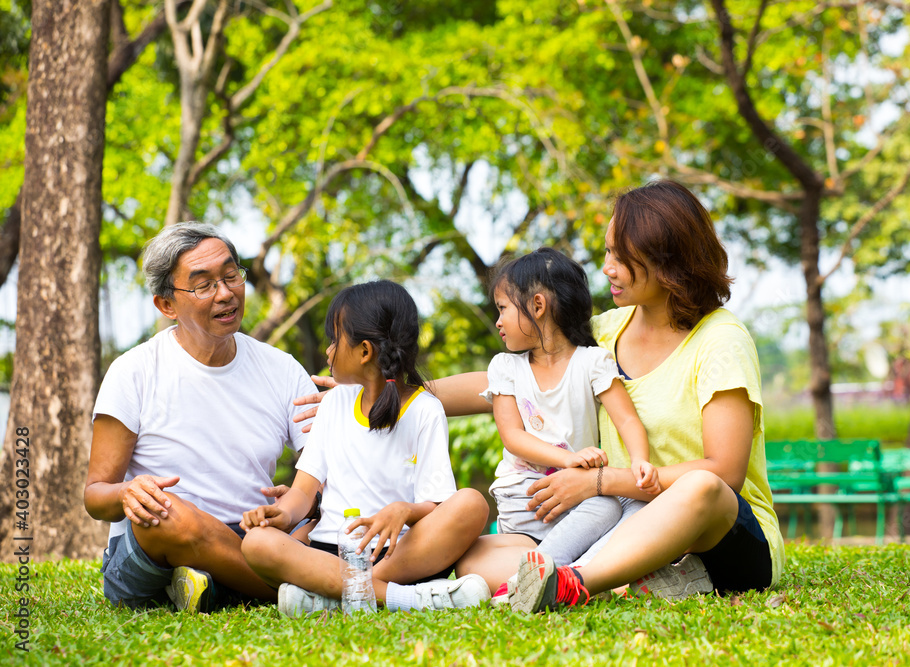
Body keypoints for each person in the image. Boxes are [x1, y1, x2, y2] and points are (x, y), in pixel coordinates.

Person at [291, 180, 784, 610]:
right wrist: (387, 384)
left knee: (699, 489)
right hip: (616, 527)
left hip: (715, 532)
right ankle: (630, 579)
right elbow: (507, 386)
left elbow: (725, 471)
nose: (607, 267)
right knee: (473, 556)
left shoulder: (720, 339)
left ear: (663, 260)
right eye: (607, 251)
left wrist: (600, 483)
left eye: (620, 256)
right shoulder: (604, 332)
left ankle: (574, 582)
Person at [84, 222, 318, 612]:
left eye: (231, 276)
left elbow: (324, 471)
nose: (226, 293)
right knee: (165, 513)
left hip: (253, 534)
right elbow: (95, 495)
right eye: (204, 285)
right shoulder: (134, 371)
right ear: (166, 305)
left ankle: (210, 585)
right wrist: (128, 493)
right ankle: (307, 588)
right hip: (156, 548)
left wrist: (300, 503)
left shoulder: (281, 369)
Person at [240, 280, 491, 616]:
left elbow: (437, 504)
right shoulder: (334, 404)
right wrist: (282, 515)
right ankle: (403, 598)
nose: (329, 351)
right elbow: (303, 492)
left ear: (364, 352)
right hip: (332, 551)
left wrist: (404, 510)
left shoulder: (424, 409)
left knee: (471, 503)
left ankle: (337, 596)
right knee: (257, 542)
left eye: (335, 340)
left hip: (398, 553)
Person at [480, 248, 654, 581]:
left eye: (503, 309)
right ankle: (543, 575)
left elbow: (628, 419)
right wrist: (569, 461)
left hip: (577, 493)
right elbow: (513, 437)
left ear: (538, 306)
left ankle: (562, 576)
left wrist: (640, 461)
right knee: (606, 506)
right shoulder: (505, 367)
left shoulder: (592, 362)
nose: (498, 322)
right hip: (527, 496)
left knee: (640, 506)